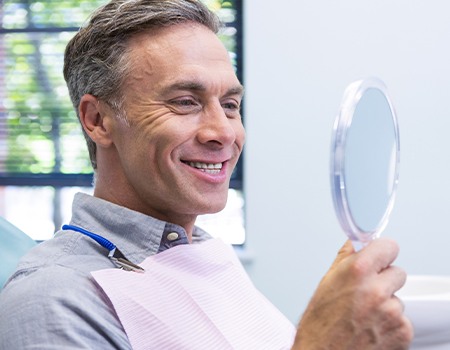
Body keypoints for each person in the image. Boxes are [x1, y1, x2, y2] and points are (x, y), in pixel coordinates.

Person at [0, 0, 413, 349]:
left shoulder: (204, 255)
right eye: (184, 102)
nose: (223, 133)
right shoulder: (52, 298)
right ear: (97, 120)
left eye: (230, 105)